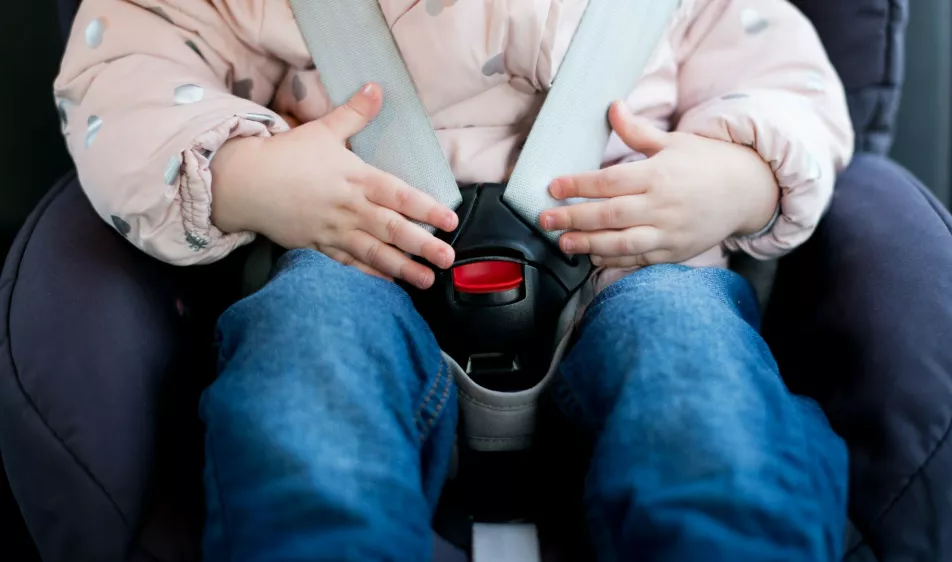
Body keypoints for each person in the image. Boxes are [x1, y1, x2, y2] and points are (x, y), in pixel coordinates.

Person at [55, 0, 854, 560]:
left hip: (635, 272)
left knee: (701, 378)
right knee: (307, 352)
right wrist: (240, 175)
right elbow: (127, 64)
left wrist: (740, 177)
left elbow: (790, 89)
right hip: (355, 266)